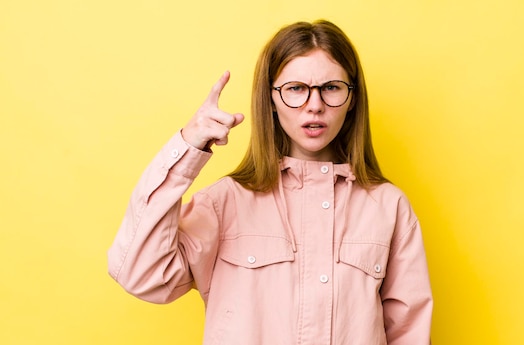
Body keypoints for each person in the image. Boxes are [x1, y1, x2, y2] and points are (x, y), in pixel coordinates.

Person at [108, 19, 433, 344]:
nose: (315, 105)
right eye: (296, 89)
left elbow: (410, 333)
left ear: (352, 99)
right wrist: (188, 147)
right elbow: (141, 275)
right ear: (272, 99)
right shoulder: (225, 203)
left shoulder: (389, 207)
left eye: (331, 87)